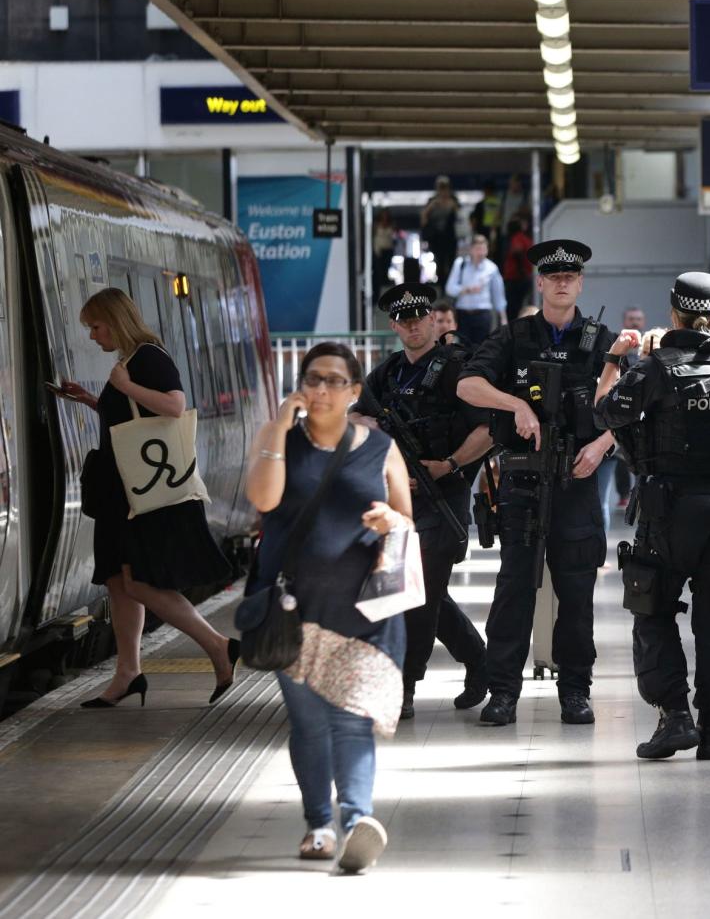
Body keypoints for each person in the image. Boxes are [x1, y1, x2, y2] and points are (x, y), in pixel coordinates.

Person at [595, 272, 710, 760]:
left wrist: (617, 360)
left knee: (652, 606)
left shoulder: (655, 368)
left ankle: (674, 716)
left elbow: (606, 413)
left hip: (670, 510)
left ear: (674, 314)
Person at [245, 342, 412, 872]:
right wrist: (278, 423)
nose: (321, 389)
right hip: (295, 610)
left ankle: (357, 820)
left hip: (365, 610)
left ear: (354, 391)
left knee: (352, 719)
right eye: (312, 379)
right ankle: (318, 823)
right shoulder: (281, 442)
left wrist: (389, 521)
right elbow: (265, 501)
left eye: (334, 381)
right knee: (310, 724)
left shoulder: (380, 447)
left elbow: (406, 519)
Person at [457, 239, 616, 726]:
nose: (563, 283)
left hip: (576, 480)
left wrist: (602, 444)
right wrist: (516, 405)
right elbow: (468, 384)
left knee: (576, 593)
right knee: (514, 590)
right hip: (524, 480)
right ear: (541, 284)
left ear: (580, 283)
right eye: (554, 277)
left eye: (572, 276)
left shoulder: (602, 339)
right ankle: (503, 691)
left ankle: (575, 690)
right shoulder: (515, 336)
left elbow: (632, 407)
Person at [59, 288, 236, 709]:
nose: (92, 336)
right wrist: (93, 401)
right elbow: (130, 420)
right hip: (121, 490)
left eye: (96, 326)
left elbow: (174, 406)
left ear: (116, 320)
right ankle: (128, 672)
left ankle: (218, 645)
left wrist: (124, 386)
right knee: (119, 584)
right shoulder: (130, 361)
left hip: (141, 492)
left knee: (138, 581)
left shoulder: (147, 357)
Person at [354, 284, 493, 722]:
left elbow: (488, 430)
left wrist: (447, 465)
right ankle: (479, 661)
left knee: (419, 594)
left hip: (443, 496)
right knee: (417, 592)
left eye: (421, 317)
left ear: (435, 320)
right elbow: (356, 415)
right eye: (404, 320)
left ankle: (405, 686)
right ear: (394, 326)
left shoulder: (459, 369)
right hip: (398, 501)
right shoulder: (389, 374)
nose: (413, 325)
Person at [613, 306, 647, 510]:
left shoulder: (650, 345)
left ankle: (641, 492)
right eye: (631, 319)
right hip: (624, 409)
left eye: (638, 319)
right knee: (620, 456)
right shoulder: (618, 347)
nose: (635, 322)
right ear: (624, 322)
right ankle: (624, 494)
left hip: (643, 410)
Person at [446, 234, 507, 347]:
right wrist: (466, 290)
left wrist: (503, 318)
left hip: (482, 314)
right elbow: (450, 288)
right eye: (478, 249)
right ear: (471, 250)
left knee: (481, 348)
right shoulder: (460, 264)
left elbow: (498, 295)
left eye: (484, 249)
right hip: (463, 314)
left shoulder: (491, 268)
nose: (481, 253)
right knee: (463, 348)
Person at [421, 175, 460, 289]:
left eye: (445, 187)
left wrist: (452, 204)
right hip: (437, 238)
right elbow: (423, 219)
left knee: (452, 262)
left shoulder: (454, 200)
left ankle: (452, 286)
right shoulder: (432, 201)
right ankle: (443, 286)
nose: (443, 190)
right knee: (440, 262)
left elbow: (461, 217)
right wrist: (432, 206)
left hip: (451, 237)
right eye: (441, 187)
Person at [502, 216, 534, 324]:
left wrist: (521, 270)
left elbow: (517, 252)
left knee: (513, 309)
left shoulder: (517, 238)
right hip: (523, 277)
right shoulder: (525, 238)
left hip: (516, 279)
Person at [372, 208, 396, 303]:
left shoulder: (392, 225)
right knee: (378, 270)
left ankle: (385, 290)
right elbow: (374, 238)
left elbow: (393, 235)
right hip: (379, 249)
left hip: (388, 249)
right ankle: (378, 292)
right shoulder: (376, 225)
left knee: (386, 269)